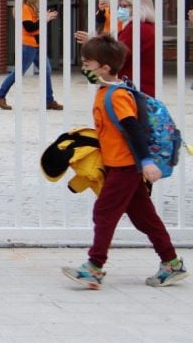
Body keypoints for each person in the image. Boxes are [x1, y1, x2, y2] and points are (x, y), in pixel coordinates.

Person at [62, 34, 187, 289]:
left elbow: (133, 128)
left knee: (104, 212)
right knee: (145, 217)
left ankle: (94, 267)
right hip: (119, 164)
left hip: (126, 166)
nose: (84, 67)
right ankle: (172, 263)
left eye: (88, 63)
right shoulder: (107, 88)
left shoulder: (117, 95)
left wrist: (145, 161)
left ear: (105, 68)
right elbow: (113, 125)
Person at [76, 0, 156, 97]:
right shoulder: (145, 27)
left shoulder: (138, 28)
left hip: (135, 88)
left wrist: (93, 42)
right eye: (120, 6)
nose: (120, 10)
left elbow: (116, 53)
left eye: (124, 6)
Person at [0, 0, 62, 111]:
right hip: (28, 46)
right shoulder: (25, 8)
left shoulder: (32, 7)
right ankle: (0, 96)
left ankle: (49, 100)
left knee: (46, 71)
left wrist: (45, 17)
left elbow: (36, 26)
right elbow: (30, 28)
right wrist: (45, 19)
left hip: (37, 45)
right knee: (17, 73)